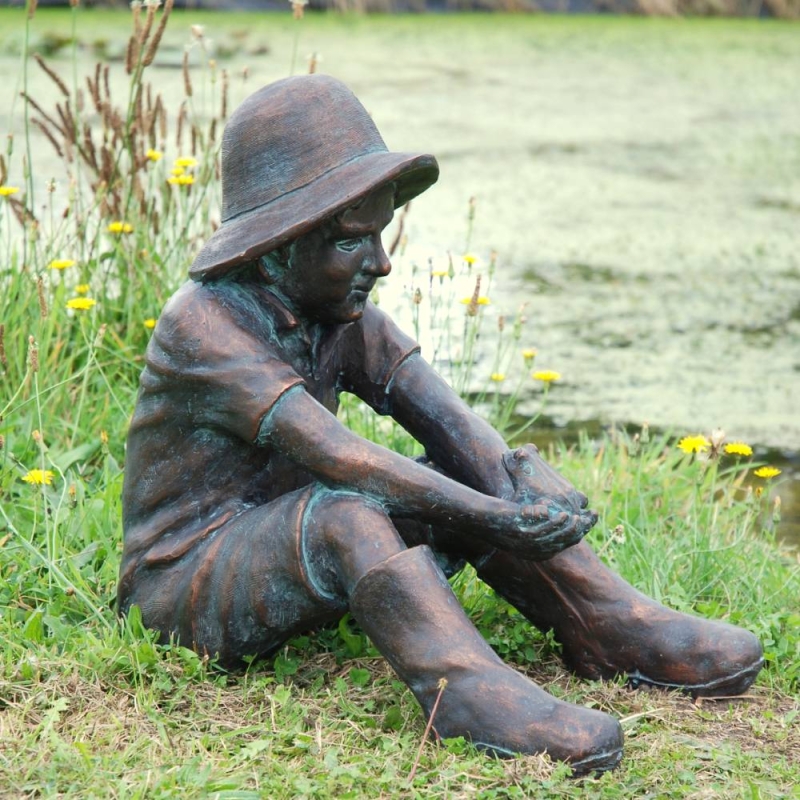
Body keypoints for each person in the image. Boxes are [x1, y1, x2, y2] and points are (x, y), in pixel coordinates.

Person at [119, 75, 763, 775]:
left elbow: (453, 424)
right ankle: (462, 692)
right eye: (352, 242)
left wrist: (521, 486)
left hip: (282, 537)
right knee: (346, 514)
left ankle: (604, 622)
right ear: (280, 244)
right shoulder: (203, 325)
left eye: (382, 235)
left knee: (445, 480)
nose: (382, 263)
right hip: (184, 581)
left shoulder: (344, 317)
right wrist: (494, 517)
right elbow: (337, 455)